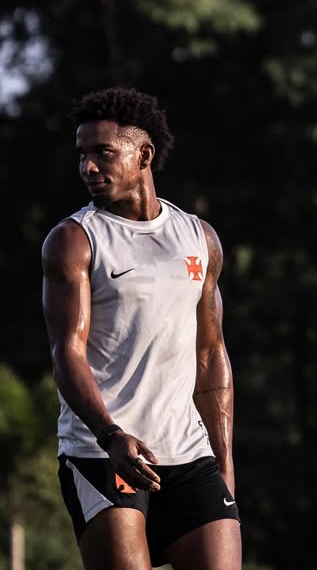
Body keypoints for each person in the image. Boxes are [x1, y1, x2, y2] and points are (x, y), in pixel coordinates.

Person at [41, 87, 242, 570]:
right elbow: (67, 354)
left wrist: (224, 460)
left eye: (103, 152)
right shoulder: (74, 240)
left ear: (144, 155)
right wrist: (110, 435)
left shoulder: (199, 238)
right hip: (101, 452)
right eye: (82, 155)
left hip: (188, 453)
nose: (89, 167)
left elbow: (210, 353)